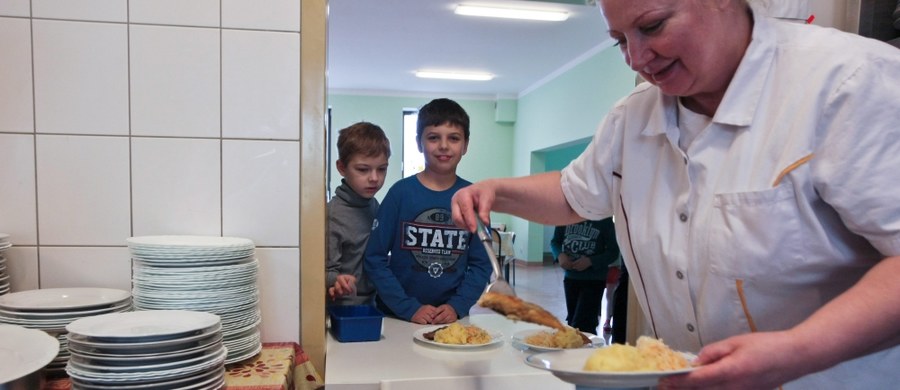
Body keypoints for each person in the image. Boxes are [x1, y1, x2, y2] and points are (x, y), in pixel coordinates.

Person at [450, 0, 900, 388]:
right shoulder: (633, 117)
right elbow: (575, 194)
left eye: (652, 26)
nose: (636, 58)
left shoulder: (849, 83)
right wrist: (495, 190)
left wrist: (796, 350)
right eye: (620, 40)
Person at [364, 98, 492, 325]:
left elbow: (482, 264)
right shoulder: (399, 194)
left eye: (453, 138)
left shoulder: (473, 198)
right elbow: (374, 258)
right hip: (397, 317)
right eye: (433, 137)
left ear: (465, 145)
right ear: (419, 143)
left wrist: (457, 306)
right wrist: (407, 307)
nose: (443, 146)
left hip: (451, 319)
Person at [326, 122, 391, 306]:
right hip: (342, 311)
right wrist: (335, 280)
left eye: (382, 169)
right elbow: (320, 271)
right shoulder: (332, 215)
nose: (374, 178)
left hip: (372, 304)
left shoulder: (374, 205)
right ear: (341, 167)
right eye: (363, 169)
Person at [550, 218, 620, 335]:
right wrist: (560, 255)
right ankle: (576, 350)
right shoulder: (565, 216)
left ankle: (586, 350)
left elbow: (613, 252)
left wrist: (591, 261)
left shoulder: (603, 220)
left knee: (583, 324)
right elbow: (555, 242)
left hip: (594, 280)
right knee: (573, 321)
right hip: (571, 278)